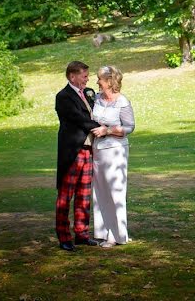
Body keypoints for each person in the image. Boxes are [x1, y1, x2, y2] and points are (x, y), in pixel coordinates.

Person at [54, 60, 104, 252]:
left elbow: (97, 111)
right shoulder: (63, 97)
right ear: (72, 76)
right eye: (84, 76)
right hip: (72, 151)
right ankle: (64, 237)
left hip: (88, 150)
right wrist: (103, 129)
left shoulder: (89, 93)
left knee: (84, 195)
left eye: (87, 76)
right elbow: (80, 119)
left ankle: (82, 234)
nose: (87, 80)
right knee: (66, 196)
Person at [91, 65, 135, 248]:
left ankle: (117, 235)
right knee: (100, 191)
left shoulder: (122, 101)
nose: (97, 81)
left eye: (99, 78)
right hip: (98, 150)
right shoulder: (97, 99)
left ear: (109, 81)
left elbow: (129, 127)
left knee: (115, 191)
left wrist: (108, 130)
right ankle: (103, 231)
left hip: (115, 151)